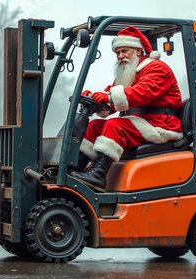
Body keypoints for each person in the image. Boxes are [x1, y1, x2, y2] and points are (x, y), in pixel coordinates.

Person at [73, 26, 184, 192]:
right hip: (141, 121)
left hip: (160, 123)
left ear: (138, 50)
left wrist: (108, 97)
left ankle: (98, 175)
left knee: (114, 126)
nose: (120, 56)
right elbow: (111, 99)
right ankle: (76, 168)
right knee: (95, 125)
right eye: (117, 53)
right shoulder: (129, 73)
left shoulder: (157, 68)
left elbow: (142, 93)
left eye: (124, 51)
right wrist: (95, 99)